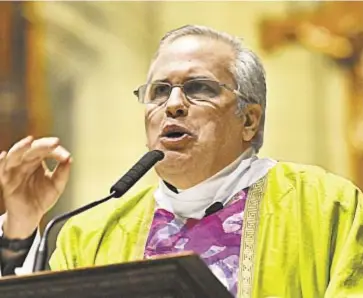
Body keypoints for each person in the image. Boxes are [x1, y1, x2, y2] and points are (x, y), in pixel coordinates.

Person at [0, 25, 362, 298]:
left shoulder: (327, 207)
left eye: (198, 88)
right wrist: (20, 231)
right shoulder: (91, 234)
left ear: (249, 120)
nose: (172, 104)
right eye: (159, 91)